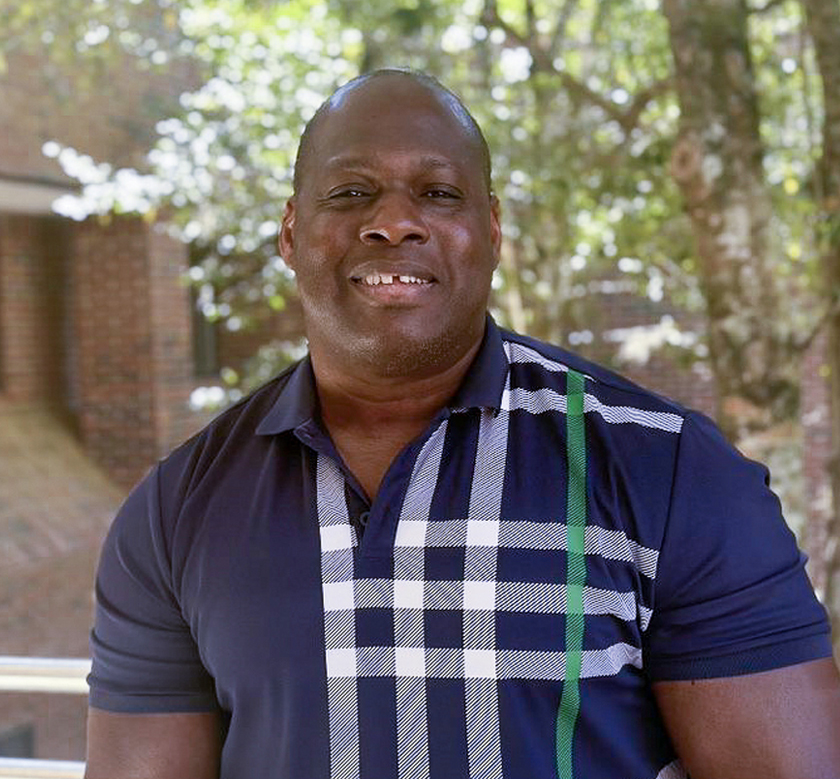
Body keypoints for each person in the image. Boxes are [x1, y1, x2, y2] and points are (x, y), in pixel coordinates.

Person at [84, 68, 840, 779]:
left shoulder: (668, 470)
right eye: (350, 192)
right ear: (290, 231)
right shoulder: (176, 511)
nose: (395, 222)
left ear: (493, 230)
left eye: (439, 193)